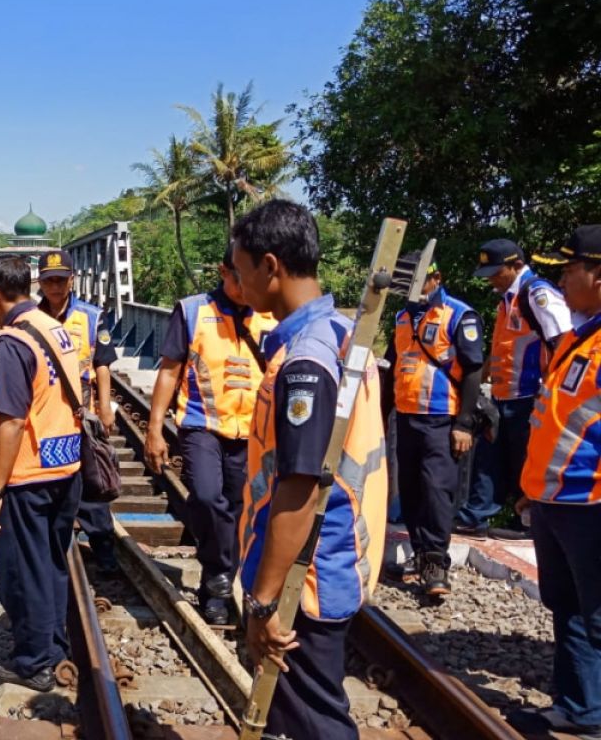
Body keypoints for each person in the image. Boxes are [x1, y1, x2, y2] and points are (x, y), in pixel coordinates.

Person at [231, 199, 388, 740]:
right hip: (333, 559)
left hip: (309, 574)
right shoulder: (343, 334)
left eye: (240, 266)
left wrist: (264, 600)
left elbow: (298, 488)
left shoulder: (305, 360)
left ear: (270, 266)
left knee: (314, 723)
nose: (236, 281)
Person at [145, 243, 276, 624]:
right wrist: (155, 429)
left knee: (237, 512)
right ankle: (219, 572)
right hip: (202, 424)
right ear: (224, 271)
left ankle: (215, 586)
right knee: (204, 498)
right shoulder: (192, 311)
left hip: (252, 430)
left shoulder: (268, 314)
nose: (246, 286)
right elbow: (169, 370)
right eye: (239, 277)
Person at [507, 225, 601, 740]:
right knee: (566, 608)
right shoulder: (581, 337)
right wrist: (532, 486)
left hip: (591, 503)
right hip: (555, 499)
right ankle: (578, 710)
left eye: (571, 269)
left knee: (597, 616)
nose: (562, 279)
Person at [0, 254, 83, 692]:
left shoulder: (11, 341)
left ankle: (35, 662)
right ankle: (55, 646)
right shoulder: (54, 328)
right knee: (52, 565)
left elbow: (14, 421)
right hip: (66, 466)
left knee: (24, 571)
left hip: (28, 474)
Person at [455, 238, 572, 539]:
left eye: (496, 271)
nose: (492, 278)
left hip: (530, 396)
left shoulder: (537, 294)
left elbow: (564, 341)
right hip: (503, 395)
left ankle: (533, 526)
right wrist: (476, 381)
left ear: (516, 265)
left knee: (527, 460)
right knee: (490, 456)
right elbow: (502, 350)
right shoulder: (507, 299)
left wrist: (554, 388)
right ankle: (476, 517)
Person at [383, 258, 484, 596]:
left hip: (442, 419)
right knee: (410, 490)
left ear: (435, 278)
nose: (410, 287)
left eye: (417, 280)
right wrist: (383, 414)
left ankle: (437, 562)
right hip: (408, 417)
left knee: (436, 491)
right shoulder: (401, 317)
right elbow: (393, 366)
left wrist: (465, 424)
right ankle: (419, 553)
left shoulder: (458, 315)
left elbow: (473, 371)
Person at [35, 249, 120, 574]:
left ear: (72, 279)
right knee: (48, 476)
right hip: (43, 410)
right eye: (49, 281)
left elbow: (102, 365)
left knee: (92, 478)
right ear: (40, 283)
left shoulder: (91, 316)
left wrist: (104, 407)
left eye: (61, 279)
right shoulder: (30, 317)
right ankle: (51, 541)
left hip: (80, 410)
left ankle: (103, 544)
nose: (55, 287)